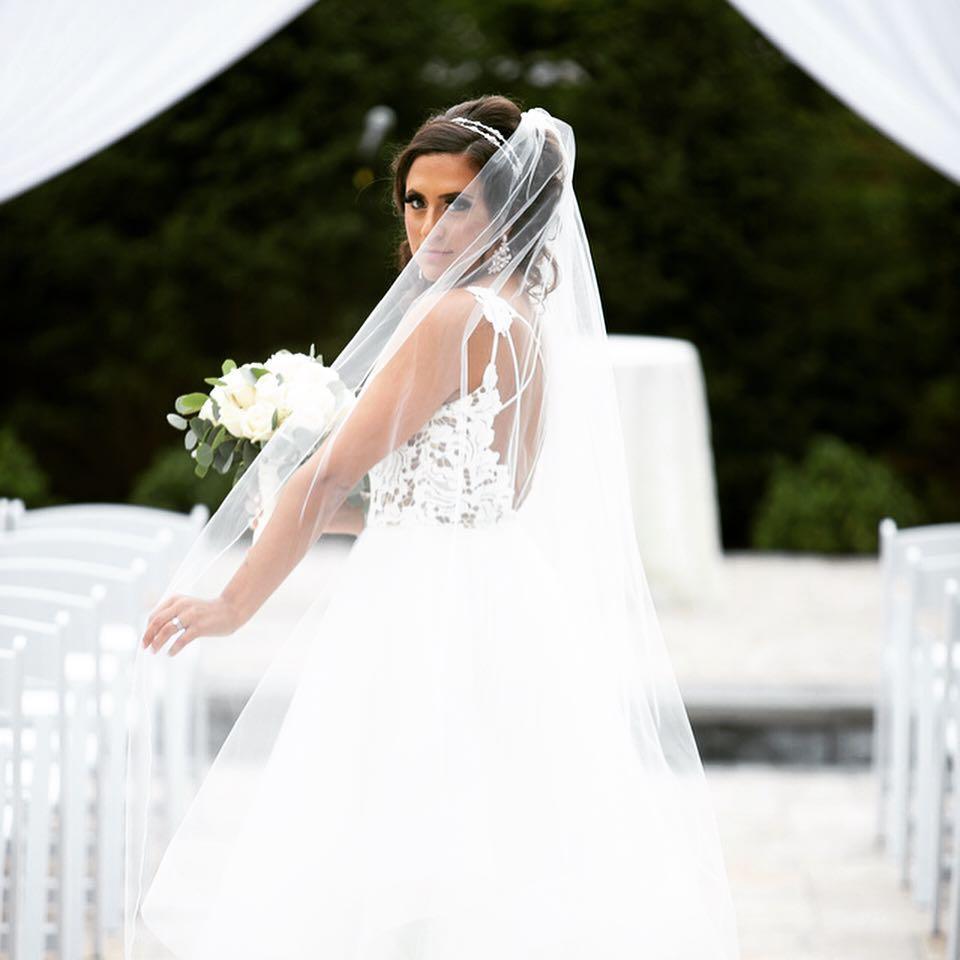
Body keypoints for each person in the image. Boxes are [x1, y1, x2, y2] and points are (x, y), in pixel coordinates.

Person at [124, 95, 741, 959]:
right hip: (500, 596)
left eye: (457, 204)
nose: (430, 227)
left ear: (508, 211)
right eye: (415, 202)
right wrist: (348, 517)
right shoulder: (520, 318)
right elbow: (488, 495)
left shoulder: (450, 317)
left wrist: (233, 603)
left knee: (393, 843)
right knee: (489, 849)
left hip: (419, 613)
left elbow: (327, 472)